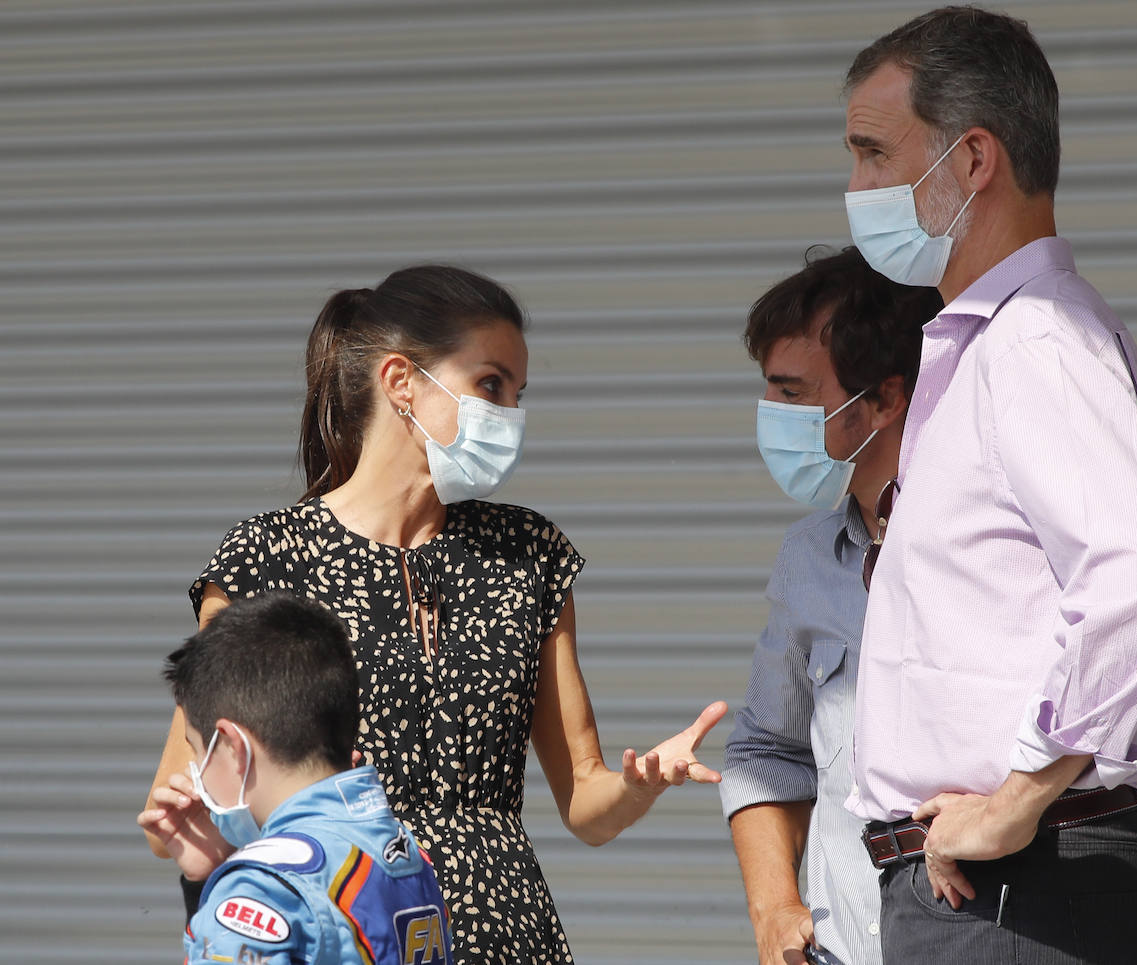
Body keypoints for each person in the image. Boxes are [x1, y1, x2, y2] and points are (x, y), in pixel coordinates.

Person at [141, 264, 727, 965]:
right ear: (400, 382)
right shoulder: (268, 558)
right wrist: (216, 847)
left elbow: (585, 803)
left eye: (517, 392)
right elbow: (186, 797)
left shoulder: (528, 555)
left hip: (510, 936)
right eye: (490, 385)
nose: (509, 413)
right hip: (349, 927)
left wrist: (640, 783)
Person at [720, 246, 1137, 965]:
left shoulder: (1025, 540)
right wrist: (774, 908)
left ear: (888, 398)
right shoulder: (807, 562)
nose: (771, 415)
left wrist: (1069, 869)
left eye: (793, 392)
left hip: (1003, 924)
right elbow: (768, 749)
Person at [839, 8, 1137, 963]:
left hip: (1022, 891)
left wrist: (1022, 795)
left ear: (971, 160)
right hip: (1000, 895)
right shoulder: (1004, 341)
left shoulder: (1037, 338)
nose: (856, 187)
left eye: (873, 154)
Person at [139, 591, 456, 965]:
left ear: (233, 746)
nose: (195, 772)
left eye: (196, 750)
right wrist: (206, 879)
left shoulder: (258, 892)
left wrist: (232, 885)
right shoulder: (408, 855)